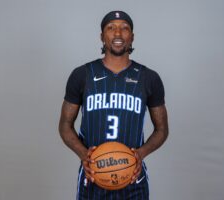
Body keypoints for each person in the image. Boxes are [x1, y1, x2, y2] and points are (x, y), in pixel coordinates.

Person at [59, 10, 169, 200]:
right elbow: (64, 125)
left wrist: (140, 154)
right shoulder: (82, 75)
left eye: (124, 28)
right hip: (92, 177)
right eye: (111, 28)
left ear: (132, 37)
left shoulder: (149, 78)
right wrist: (84, 154)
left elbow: (162, 130)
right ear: (102, 36)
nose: (118, 34)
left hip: (133, 179)